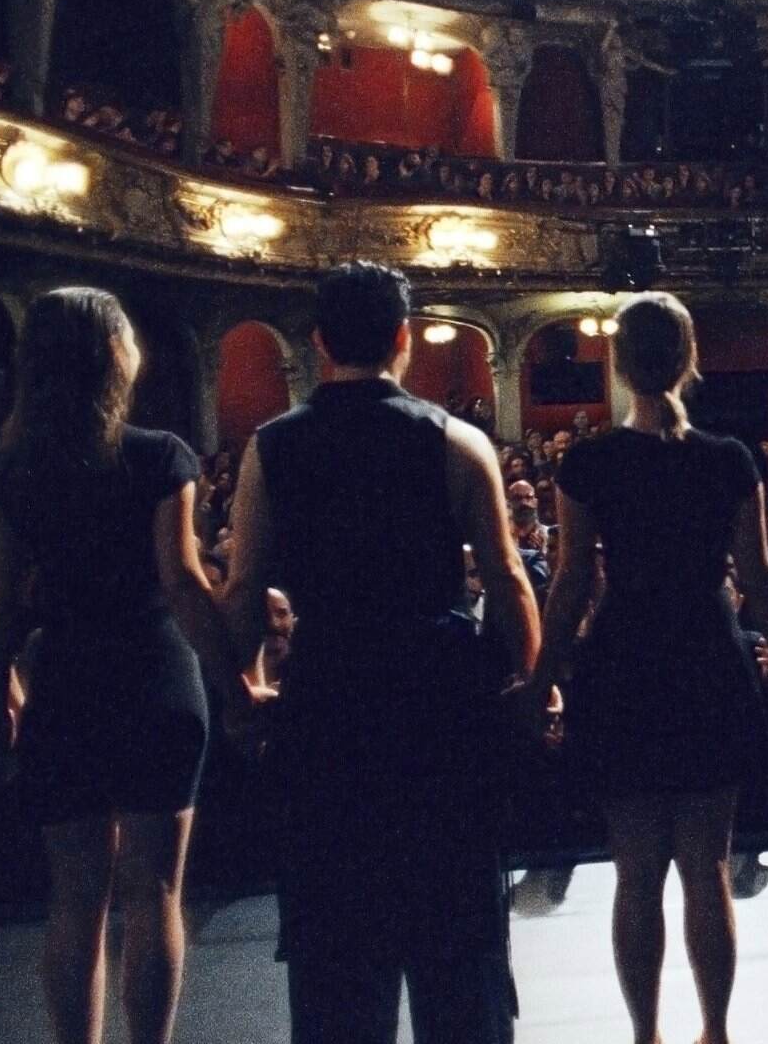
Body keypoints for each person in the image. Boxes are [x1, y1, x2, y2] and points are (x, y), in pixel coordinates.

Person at [220, 262, 540, 1043]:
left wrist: (240, 690)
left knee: (337, 951)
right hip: (438, 702)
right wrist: (533, 684)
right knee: (456, 942)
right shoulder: (456, 441)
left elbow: (245, 587)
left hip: (328, 695)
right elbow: (506, 578)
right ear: (404, 337)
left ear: (320, 342)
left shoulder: (271, 448)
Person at [0, 290, 232, 1044]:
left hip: (65, 679)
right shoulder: (159, 454)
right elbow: (181, 583)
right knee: (156, 892)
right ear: (114, 353)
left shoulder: (4, 469)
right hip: (155, 674)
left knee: (74, 898)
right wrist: (238, 683)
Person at [542, 293, 768, 1044]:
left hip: (624, 659)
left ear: (618, 364)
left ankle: (645, 1036)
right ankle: (714, 1032)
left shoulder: (588, 462)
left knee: (637, 874)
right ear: (690, 360)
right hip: (706, 654)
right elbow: (761, 577)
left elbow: (570, 585)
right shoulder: (727, 459)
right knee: (708, 869)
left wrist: (541, 680)